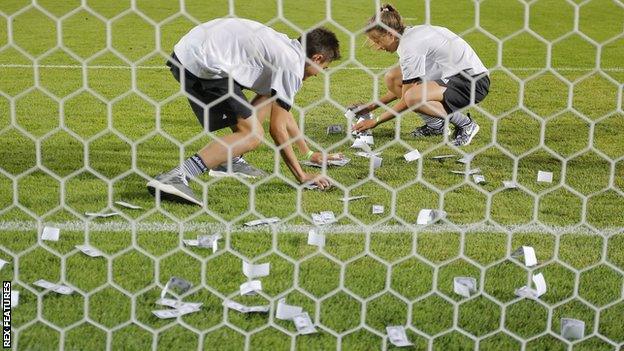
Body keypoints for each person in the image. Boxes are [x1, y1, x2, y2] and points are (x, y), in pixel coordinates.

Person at [147, 18, 342, 205]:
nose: (318, 74)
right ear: (317, 58)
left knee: (266, 98)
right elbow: (277, 129)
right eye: (322, 68)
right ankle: (177, 176)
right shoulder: (292, 66)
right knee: (252, 135)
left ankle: (229, 161)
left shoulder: (286, 47)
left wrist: (307, 153)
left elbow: (280, 109)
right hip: (203, 62)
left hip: (191, 49)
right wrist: (302, 175)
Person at [352, 4, 490, 147]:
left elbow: (407, 98)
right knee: (392, 78)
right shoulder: (410, 35)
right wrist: (371, 107)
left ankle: (466, 124)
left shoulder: (410, 47)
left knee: (412, 97)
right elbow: (403, 87)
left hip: (473, 82)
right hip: (453, 75)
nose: (378, 47)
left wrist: (375, 121)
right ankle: (436, 126)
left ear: (390, 34)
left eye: (378, 41)